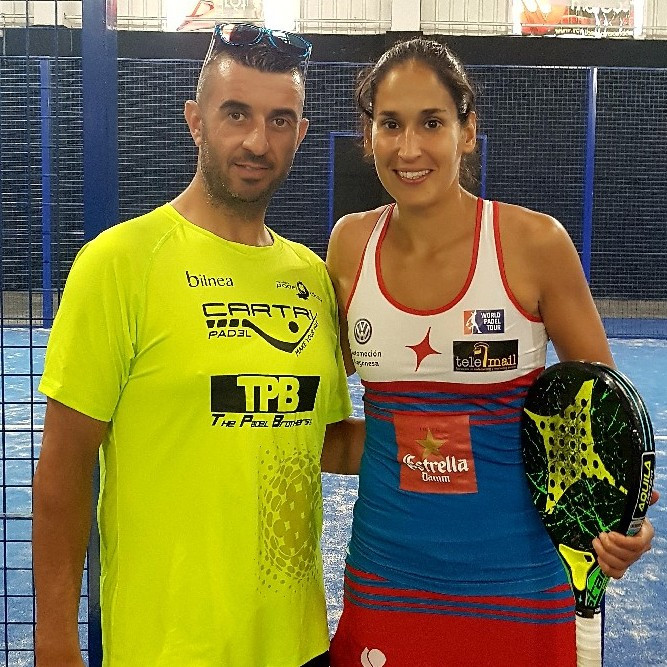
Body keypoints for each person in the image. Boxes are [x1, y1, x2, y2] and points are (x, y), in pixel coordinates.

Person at [323, 38, 657, 666]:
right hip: (386, 582)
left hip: (519, 588)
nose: (409, 148)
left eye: (432, 123)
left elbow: (609, 423)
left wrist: (625, 526)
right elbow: (327, 416)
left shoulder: (535, 244)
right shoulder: (349, 246)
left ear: (468, 131)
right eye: (390, 124)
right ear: (368, 136)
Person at [32, 23, 357, 667]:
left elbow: (319, 439)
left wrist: (469, 437)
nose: (257, 141)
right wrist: (55, 639)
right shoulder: (120, 264)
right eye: (236, 114)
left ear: (300, 133)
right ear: (195, 121)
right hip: (168, 648)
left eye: (279, 120)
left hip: (298, 644)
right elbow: (64, 473)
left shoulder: (312, 278)